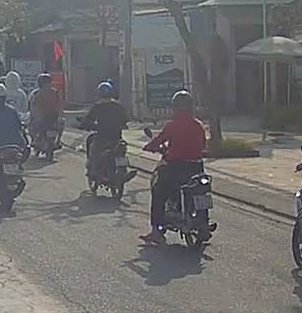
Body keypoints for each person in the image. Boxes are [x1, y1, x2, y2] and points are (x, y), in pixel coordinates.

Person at [139, 91, 207, 244]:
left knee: (158, 190)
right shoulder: (198, 125)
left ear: (174, 107)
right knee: (201, 189)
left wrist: (149, 146)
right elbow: (203, 145)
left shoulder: (172, 125)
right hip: (197, 167)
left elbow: (158, 141)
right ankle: (203, 223)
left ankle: (156, 231)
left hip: (175, 167)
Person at [78, 81, 128, 177]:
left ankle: (93, 171)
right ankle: (123, 171)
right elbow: (125, 120)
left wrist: (91, 126)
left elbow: (87, 121)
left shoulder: (97, 106)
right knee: (121, 150)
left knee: (93, 149)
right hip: (116, 138)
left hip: (102, 138)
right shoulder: (119, 106)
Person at [28, 73, 62, 138]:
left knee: (30, 127)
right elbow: (60, 106)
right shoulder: (56, 93)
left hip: (45, 119)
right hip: (50, 119)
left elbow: (33, 108)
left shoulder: (36, 94)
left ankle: (35, 140)